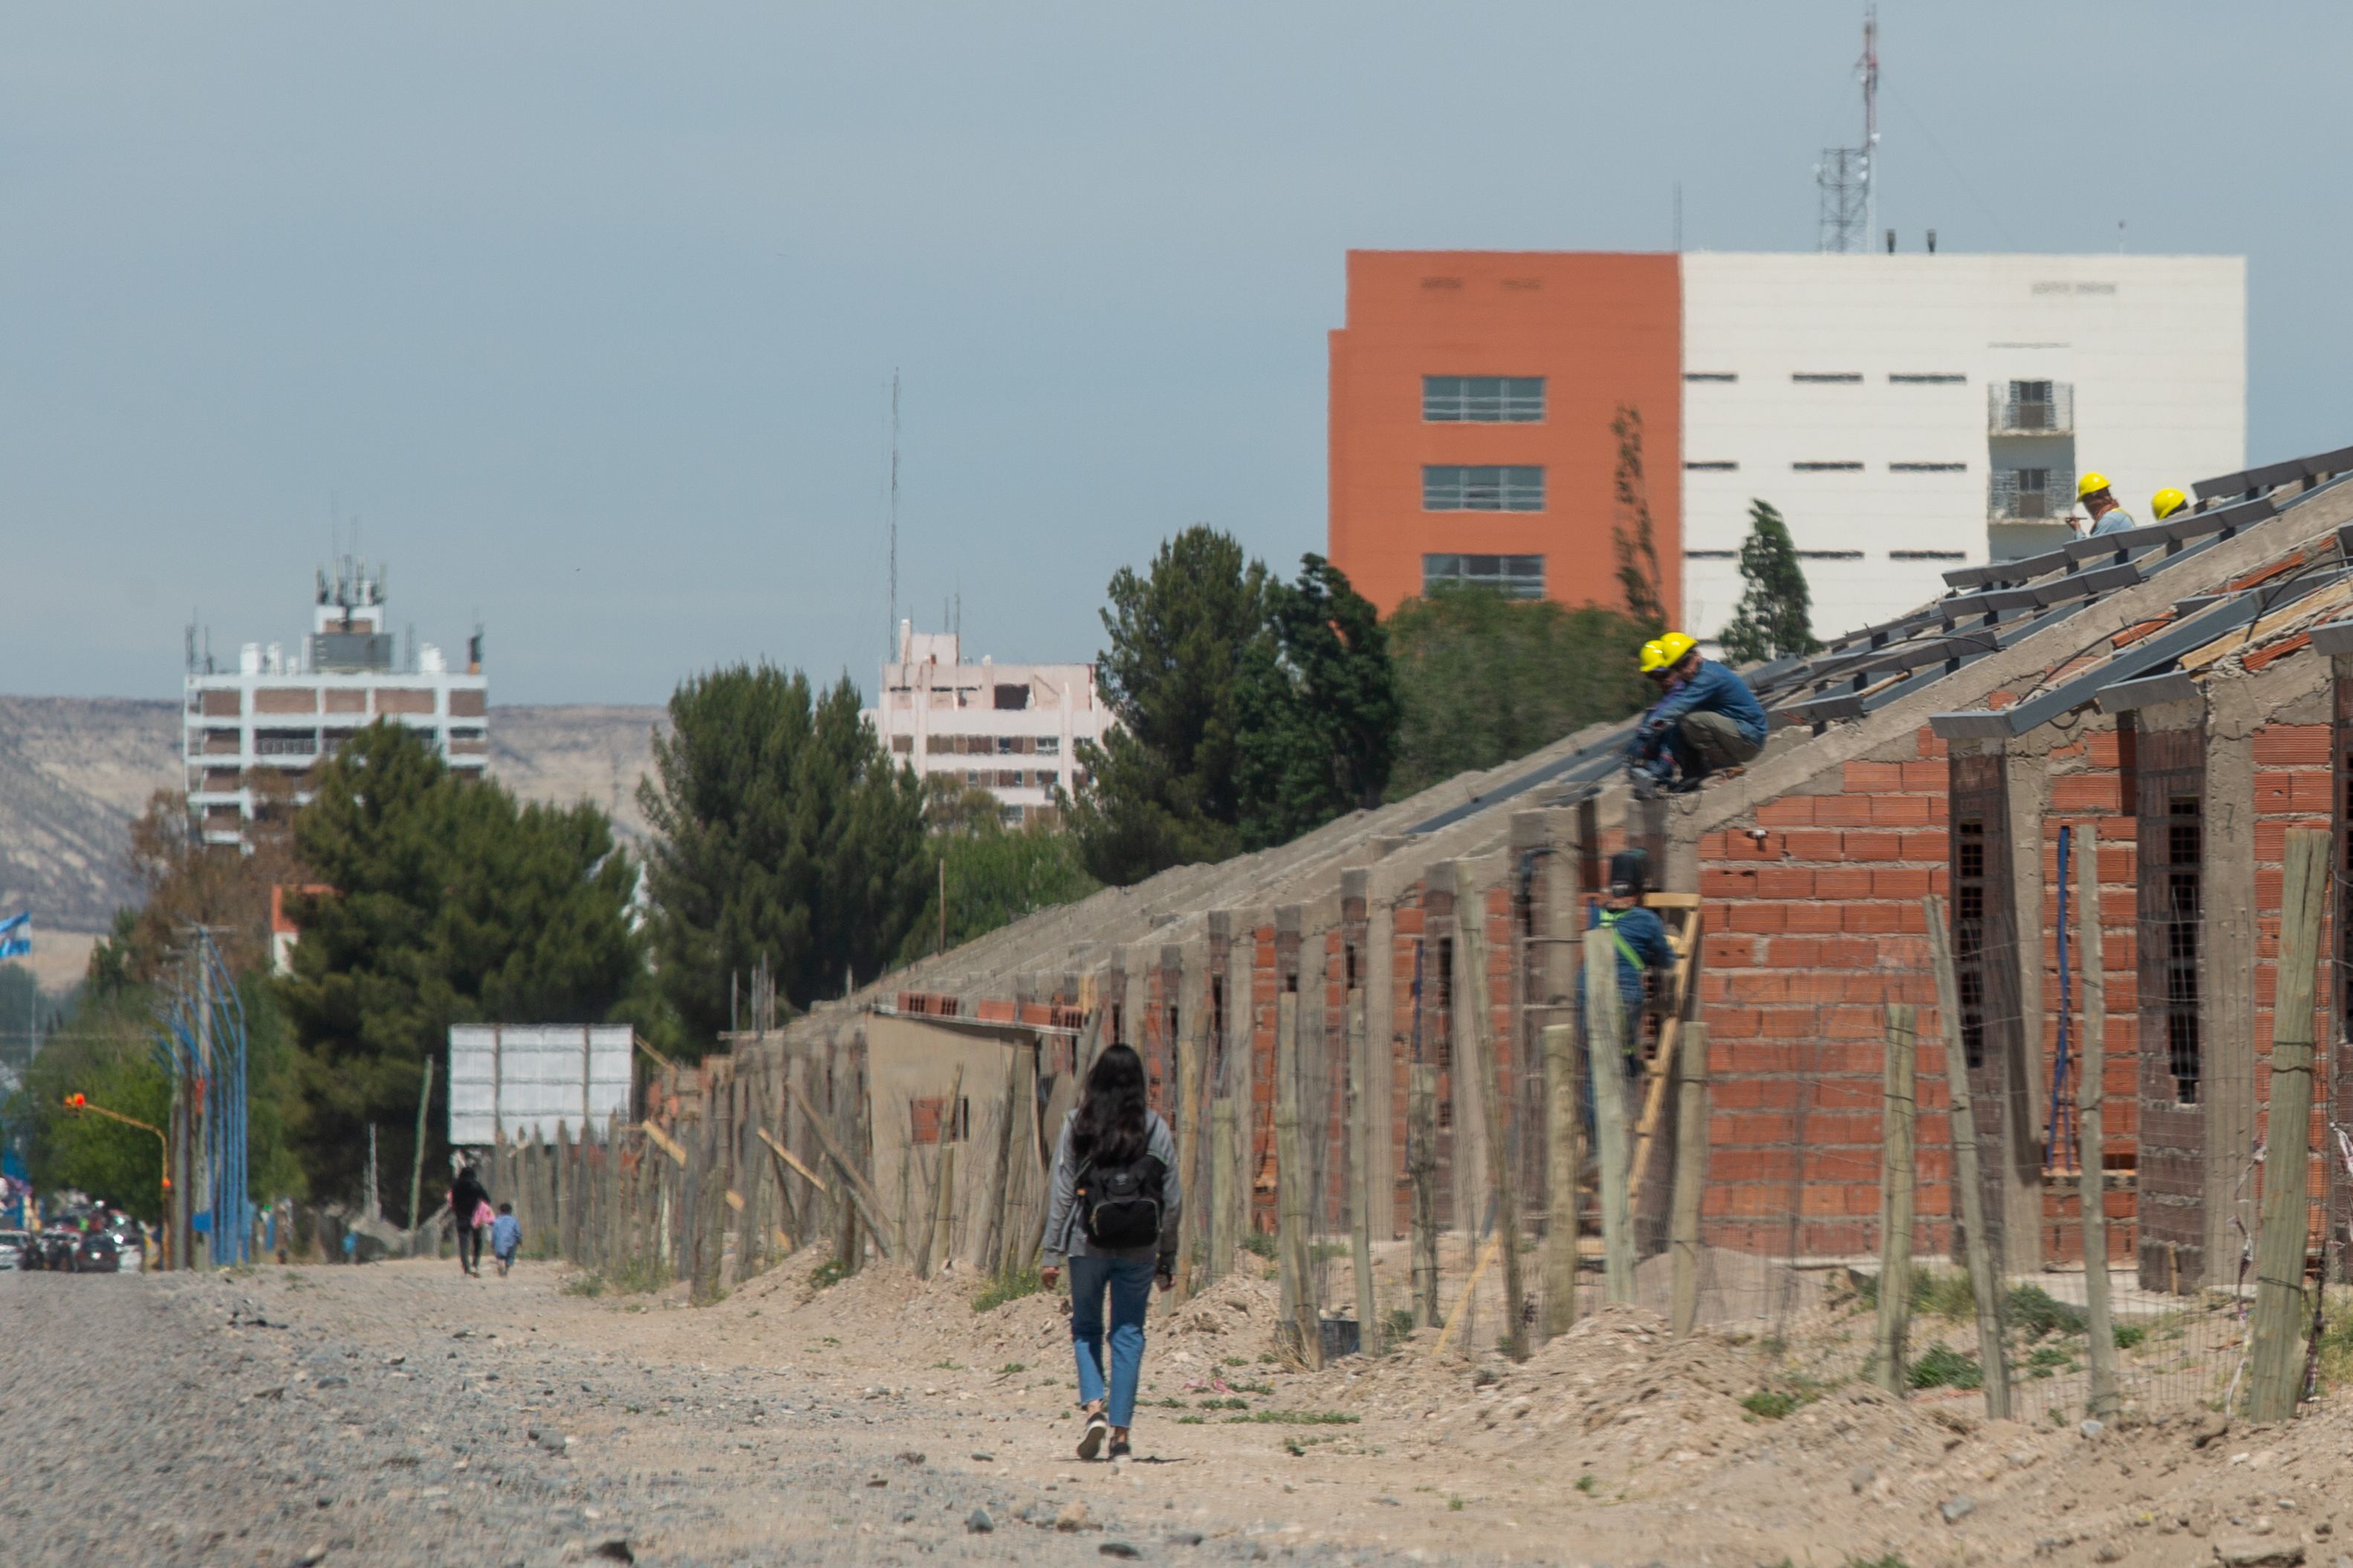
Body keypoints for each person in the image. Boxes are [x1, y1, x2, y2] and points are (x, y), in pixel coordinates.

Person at [1039, 1042, 1181, 1462]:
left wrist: (1051, 1253)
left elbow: (1063, 1192)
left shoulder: (1075, 1125)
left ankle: (1094, 1410)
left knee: (1085, 1329)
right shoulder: (1156, 1128)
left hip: (1087, 1243)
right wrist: (1167, 1257)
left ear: (1095, 1080)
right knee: (1128, 1334)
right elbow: (1172, 1199)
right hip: (1140, 1248)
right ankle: (1120, 1435)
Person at [1576, 850, 1675, 1134]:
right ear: (1639, 892)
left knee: (1597, 1064)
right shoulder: (1647, 920)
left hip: (1588, 994)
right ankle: (1617, 1128)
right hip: (1623, 997)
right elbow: (1667, 960)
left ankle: (1595, 1138)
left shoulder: (1595, 913)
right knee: (1623, 1057)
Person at [1626, 632, 1768, 796]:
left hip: (1750, 738)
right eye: (1677, 668)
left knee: (1688, 719)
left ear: (1697, 655)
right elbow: (1669, 712)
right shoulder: (1694, 678)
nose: (1684, 671)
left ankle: (1726, 765)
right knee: (1680, 723)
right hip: (1738, 734)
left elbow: (1677, 708)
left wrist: (1645, 733)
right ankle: (1693, 774)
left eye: (1685, 662)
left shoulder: (1708, 676)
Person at [449, 1162, 491, 1278]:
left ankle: (466, 1267)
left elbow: (452, 1202)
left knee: (463, 1244)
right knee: (477, 1242)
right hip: (475, 1217)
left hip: (461, 1217)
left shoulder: (456, 1186)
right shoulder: (476, 1186)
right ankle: (475, 1264)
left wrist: (457, 1211)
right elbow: (487, 1199)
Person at [2074, 472, 2136, 536]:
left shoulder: (2108, 520)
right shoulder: (2116, 514)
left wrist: (2078, 530)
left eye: (2086, 501)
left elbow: (2090, 546)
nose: (2087, 507)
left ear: (2095, 499)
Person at [490, 1203, 521, 1278]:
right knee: (510, 1258)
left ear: (500, 1211)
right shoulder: (514, 1220)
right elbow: (518, 1232)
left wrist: (493, 1242)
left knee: (500, 1257)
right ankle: (506, 1271)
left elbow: (494, 1233)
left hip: (500, 1242)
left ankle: (500, 1266)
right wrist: (519, 1240)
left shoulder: (497, 1221)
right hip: (512, 1241)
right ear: (510, 1211)